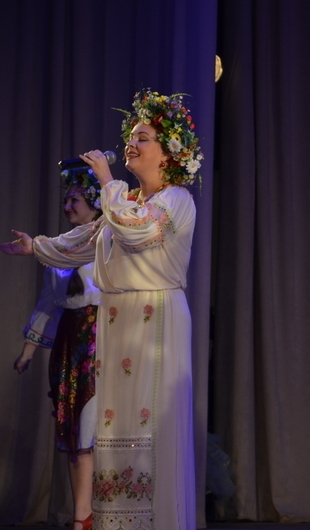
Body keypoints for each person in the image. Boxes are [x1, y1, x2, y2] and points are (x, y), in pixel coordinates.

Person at [1, 88, 202, 530]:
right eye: (131, 135)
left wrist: (107, 179)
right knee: (112, 430)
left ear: (167, 154)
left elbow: (139, 233)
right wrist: (36, 246)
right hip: (117, 320)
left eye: (143, 136)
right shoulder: (124, 200)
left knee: (152, 428)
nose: (132, 142)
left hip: (156, 316)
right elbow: (84, 242)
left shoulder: (175, 200)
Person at [13, 168, 102, 530]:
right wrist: (28, 353)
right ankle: (82, 515)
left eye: (74, 200)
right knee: (71, 427)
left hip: (99, 336)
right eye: (65, 200)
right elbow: (48, 303)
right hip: (70, 338)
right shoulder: (57, 247)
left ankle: (99, 512)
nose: (67, 206)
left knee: (92, 423)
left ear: (94, 204)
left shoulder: (105, 240)